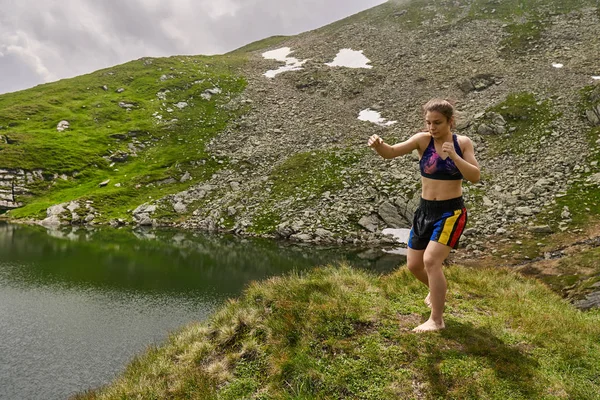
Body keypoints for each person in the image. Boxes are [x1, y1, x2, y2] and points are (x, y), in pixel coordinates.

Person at [368, 99, 480, 332]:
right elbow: (390, 153)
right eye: (428, 122)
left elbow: (475, 177)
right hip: (425, 210)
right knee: (414, 265)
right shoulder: (422, 141)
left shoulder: (462, 143)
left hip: (451, 212)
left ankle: (436, 320)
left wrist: (455, 158)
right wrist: (378, 145)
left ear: (451, 121)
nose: (432, 127)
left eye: (437, 123)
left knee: (431, 261)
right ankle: (437, 292)